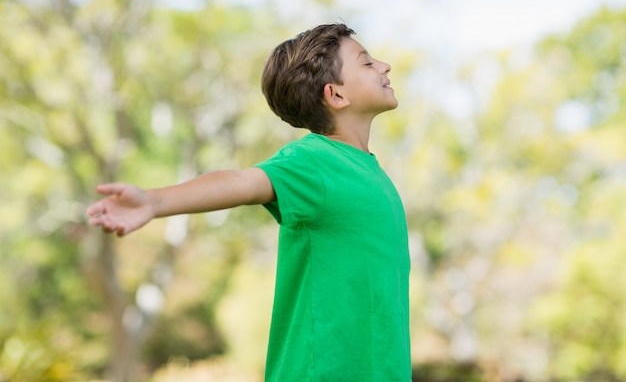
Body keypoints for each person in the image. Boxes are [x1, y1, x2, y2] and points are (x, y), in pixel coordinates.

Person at [87, 23, 411, 382]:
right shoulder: (313, 161)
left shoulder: (369, 170)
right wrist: (153, 201)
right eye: (367, 63)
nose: (384, 66)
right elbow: (243, 181)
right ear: (335, 95)